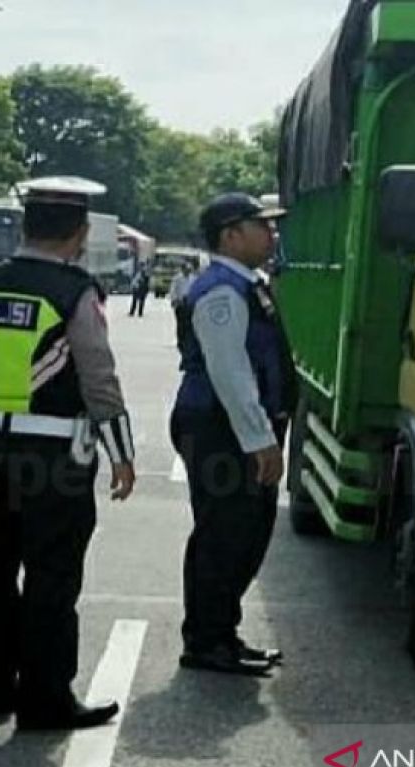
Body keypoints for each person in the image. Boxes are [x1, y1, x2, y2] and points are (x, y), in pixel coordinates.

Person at [0, 176, 137, 731]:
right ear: (78, 234)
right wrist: (122, 454)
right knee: (51, 578)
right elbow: (99, 378)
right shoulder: (74, 291)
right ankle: (45, 700)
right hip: (55, 459)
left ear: (25, 227)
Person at [170, 193, 297, 676]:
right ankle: (205, 641)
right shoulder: (223, 291)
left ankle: (222, 632)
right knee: (224, 534)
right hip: (219, 427)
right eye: (261, 225)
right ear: (230, 235)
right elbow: (230, 372)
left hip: (236, 428)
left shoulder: (248, 284)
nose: (273, 234)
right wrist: (259, 439)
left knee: (246, 532)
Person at [167, 260, 195, 331]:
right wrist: (175, 299)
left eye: (189, 270)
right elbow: (172, 290)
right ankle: (180, 339)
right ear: (183, 269)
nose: (188, 271)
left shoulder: (193, 278)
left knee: (189, 323)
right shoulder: (177, 278)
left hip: (189, 303)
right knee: (180, 323)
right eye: (186, 269)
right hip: (180, 303)